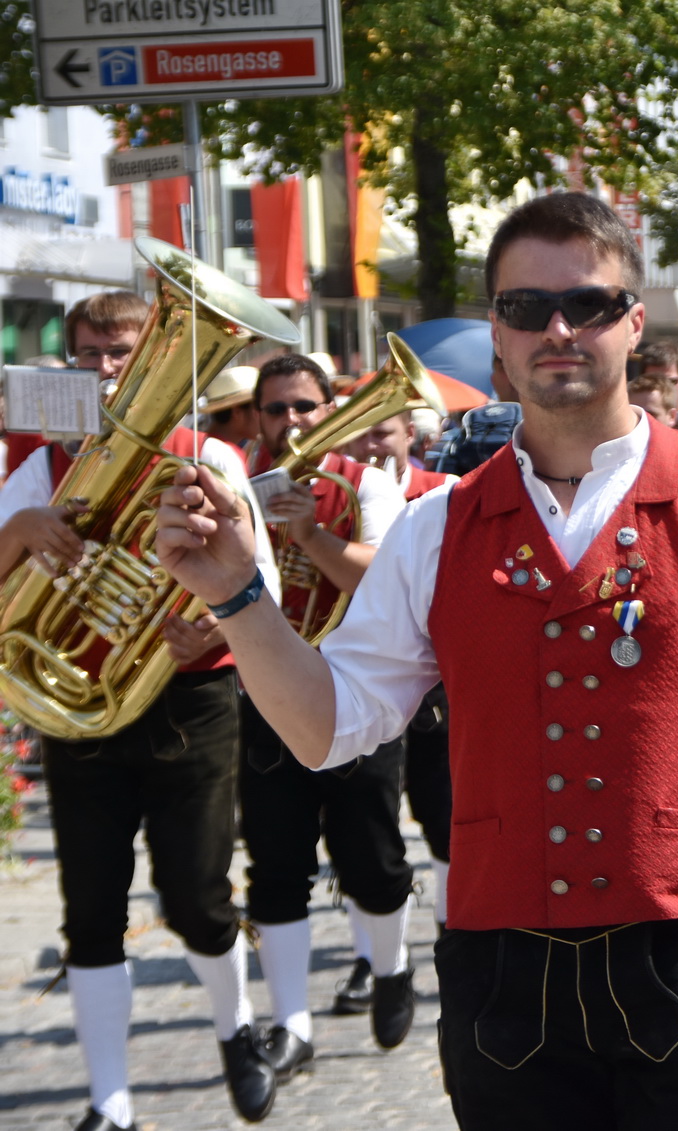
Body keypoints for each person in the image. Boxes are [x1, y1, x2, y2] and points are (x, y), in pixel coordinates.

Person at [152, 191, 678, 1128]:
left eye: (586, 303)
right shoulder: (434, 527)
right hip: (502, 972)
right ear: (497, 331)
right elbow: (327, 727)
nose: (558, 329)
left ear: (632, 320)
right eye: (526, 308)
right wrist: (238, 594)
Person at [0, 289, 283, 1129]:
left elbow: (254, 576)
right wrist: (22, 528)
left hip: (187, 696)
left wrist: (203, 626)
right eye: (87, 355)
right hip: (75, 703)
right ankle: (109, 1101)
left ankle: (235, 1027)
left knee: (195, 896)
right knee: (89, 911)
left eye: (120, 352)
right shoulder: (42, 466)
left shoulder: (209, 457)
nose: (104, 369)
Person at [242, 354, 412, 1079]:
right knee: (276, 866)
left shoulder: (366, 482)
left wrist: (311, 536)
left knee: (371, 856)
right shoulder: (236, 483)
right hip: (263, 697)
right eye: (276, 409)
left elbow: (389, 580)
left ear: (330, 407)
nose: (291, 422)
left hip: (356, 694)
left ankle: (394, 965)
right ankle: (291, 1024)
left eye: (305, 406)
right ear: (256, 418)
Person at [342, 409, 459, 990]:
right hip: (365, 676)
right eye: (359, 432)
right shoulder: (339, 496)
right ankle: (372, 957)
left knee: (444, 812)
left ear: (411, 437)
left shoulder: (442, 493)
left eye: (382, 431)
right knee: (366, 823)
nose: (370, 443)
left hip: (435, 681)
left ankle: (452, 931)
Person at [200, 365, 261, 461]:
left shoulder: (199, 446)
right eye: (258, 408)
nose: (263, 415)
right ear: (237, 412)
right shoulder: (229, 456)